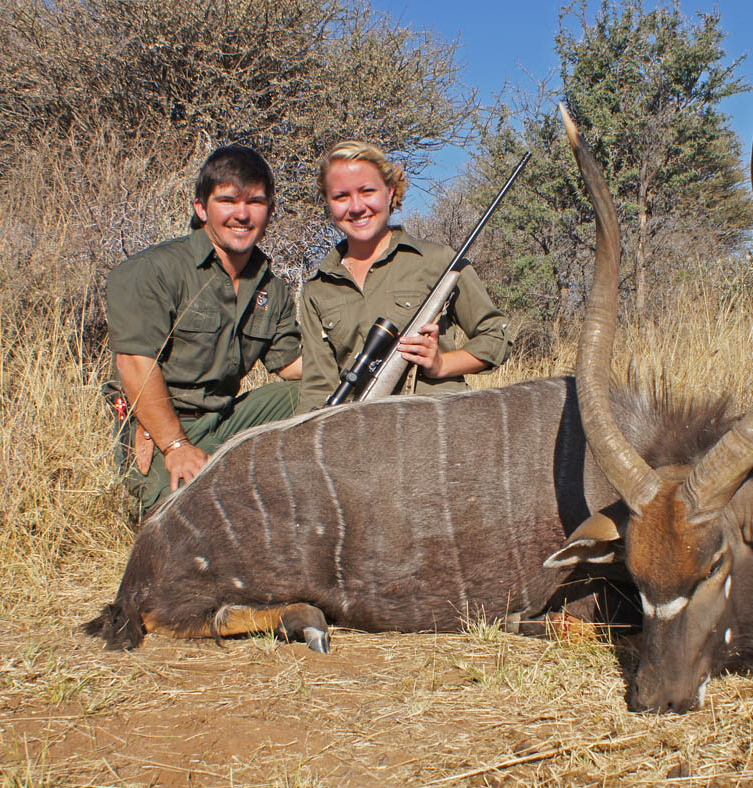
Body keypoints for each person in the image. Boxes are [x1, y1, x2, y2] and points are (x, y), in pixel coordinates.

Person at [105, 145, 303, 514]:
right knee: (184, 523)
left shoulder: (270, 287)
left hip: (227, 420)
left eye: (255, 202)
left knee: (323, 394)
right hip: (162, 426)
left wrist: (357, 356)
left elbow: (291, 364)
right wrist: (174, 445)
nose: (241, 214)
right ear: (201, 208)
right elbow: (133, 362)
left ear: (270, 211)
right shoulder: (153, 270)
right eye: (227, 200)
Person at [297, 141, 511, 412]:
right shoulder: (318, 288)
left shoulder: (438, 261)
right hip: (357, 425)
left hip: (438, 419)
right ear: (328, 202)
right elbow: (317, 388)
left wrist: (441, 364)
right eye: (341, 196)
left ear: (389, 192)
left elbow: (496, 336)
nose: (356, 207)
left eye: (367, 191)